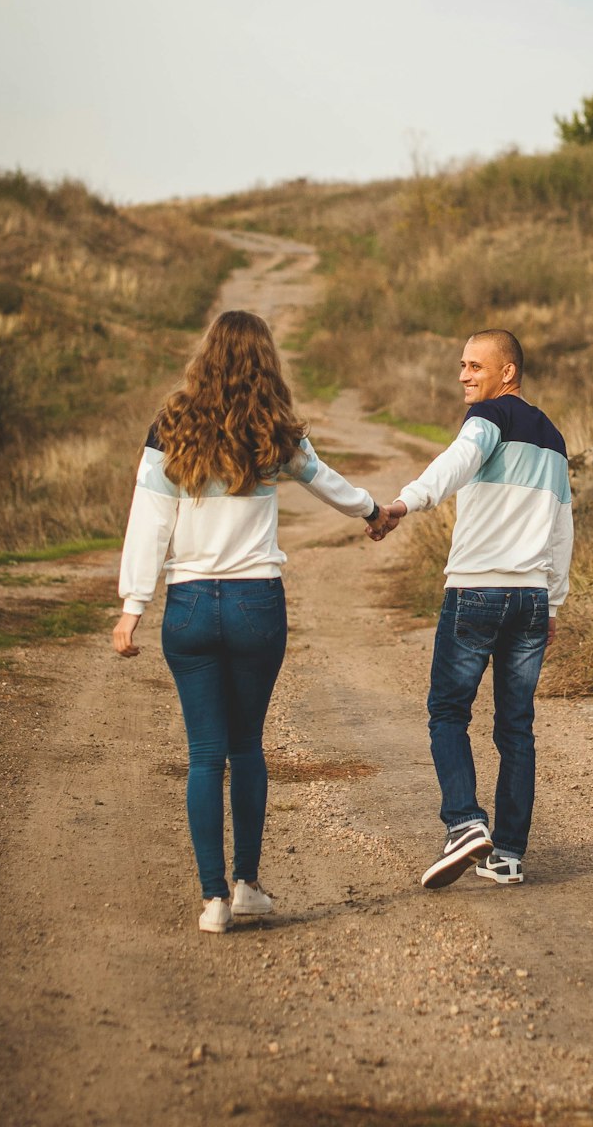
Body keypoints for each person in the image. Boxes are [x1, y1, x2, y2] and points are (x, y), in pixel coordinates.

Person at [113, 310, 388, 932]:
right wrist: (375, 511)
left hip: (187, 605)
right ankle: (247, 887)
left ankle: (212, 901)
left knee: (205, 754)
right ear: (267, 361)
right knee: (247, 747)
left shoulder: (171, 427)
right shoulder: (274, 431)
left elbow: (149, 522)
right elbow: (330, 485)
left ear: (205, 356)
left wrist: (133, 606)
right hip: (254, 604)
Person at [370, 329, 572, 889]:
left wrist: (405, 503)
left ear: (508, 372)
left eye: (475, 365)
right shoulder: (553, 437)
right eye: (461, 364)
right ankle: (507, 854)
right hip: (531, 599)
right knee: (516, 728)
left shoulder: (489, 418)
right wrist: (552, 601)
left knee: (448, 712)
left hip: (477, 592)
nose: (463, 375)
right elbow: (562, 529)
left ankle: (464, 823)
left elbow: (457, 462)